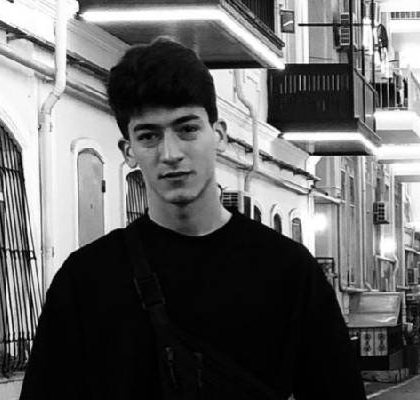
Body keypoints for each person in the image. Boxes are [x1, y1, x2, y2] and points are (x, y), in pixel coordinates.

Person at [19, 37, 366, 399]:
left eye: (187, 129)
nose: (170, 153)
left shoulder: (289, 271)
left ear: (219, 136)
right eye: (149, 136)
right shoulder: (86, 281)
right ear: (129, 151)